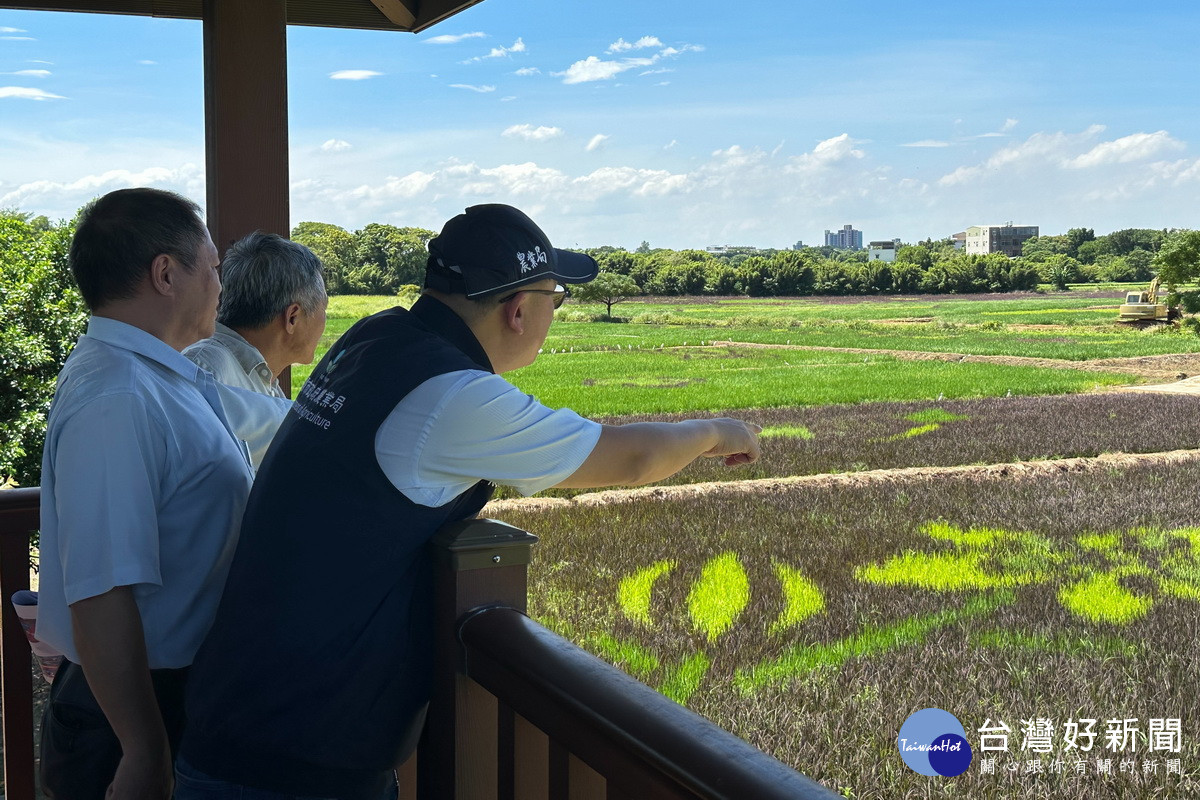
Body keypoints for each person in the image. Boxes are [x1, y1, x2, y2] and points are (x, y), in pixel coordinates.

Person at [176, 204, 761, 800]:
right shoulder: (451, 397)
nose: (552, 315)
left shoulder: (377, 337)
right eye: (554, 299)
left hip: (245, 718)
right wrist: (716, 432)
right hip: (293, 757)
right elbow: (630, 458)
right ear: (518, 309)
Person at [36, 187, 290, 800]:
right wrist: (144, 750)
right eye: (213, 267)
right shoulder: (118, 397)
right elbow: (100, 591)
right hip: (134, 712)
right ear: (166, 273)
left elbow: (269, 424)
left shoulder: (154, 377)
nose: (221, 285)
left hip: (169, 695)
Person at [184, 231, 327, 465]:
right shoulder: (206, 371)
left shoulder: (262, 376)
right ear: (292, 317)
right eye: (324, 308)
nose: (325, 319)